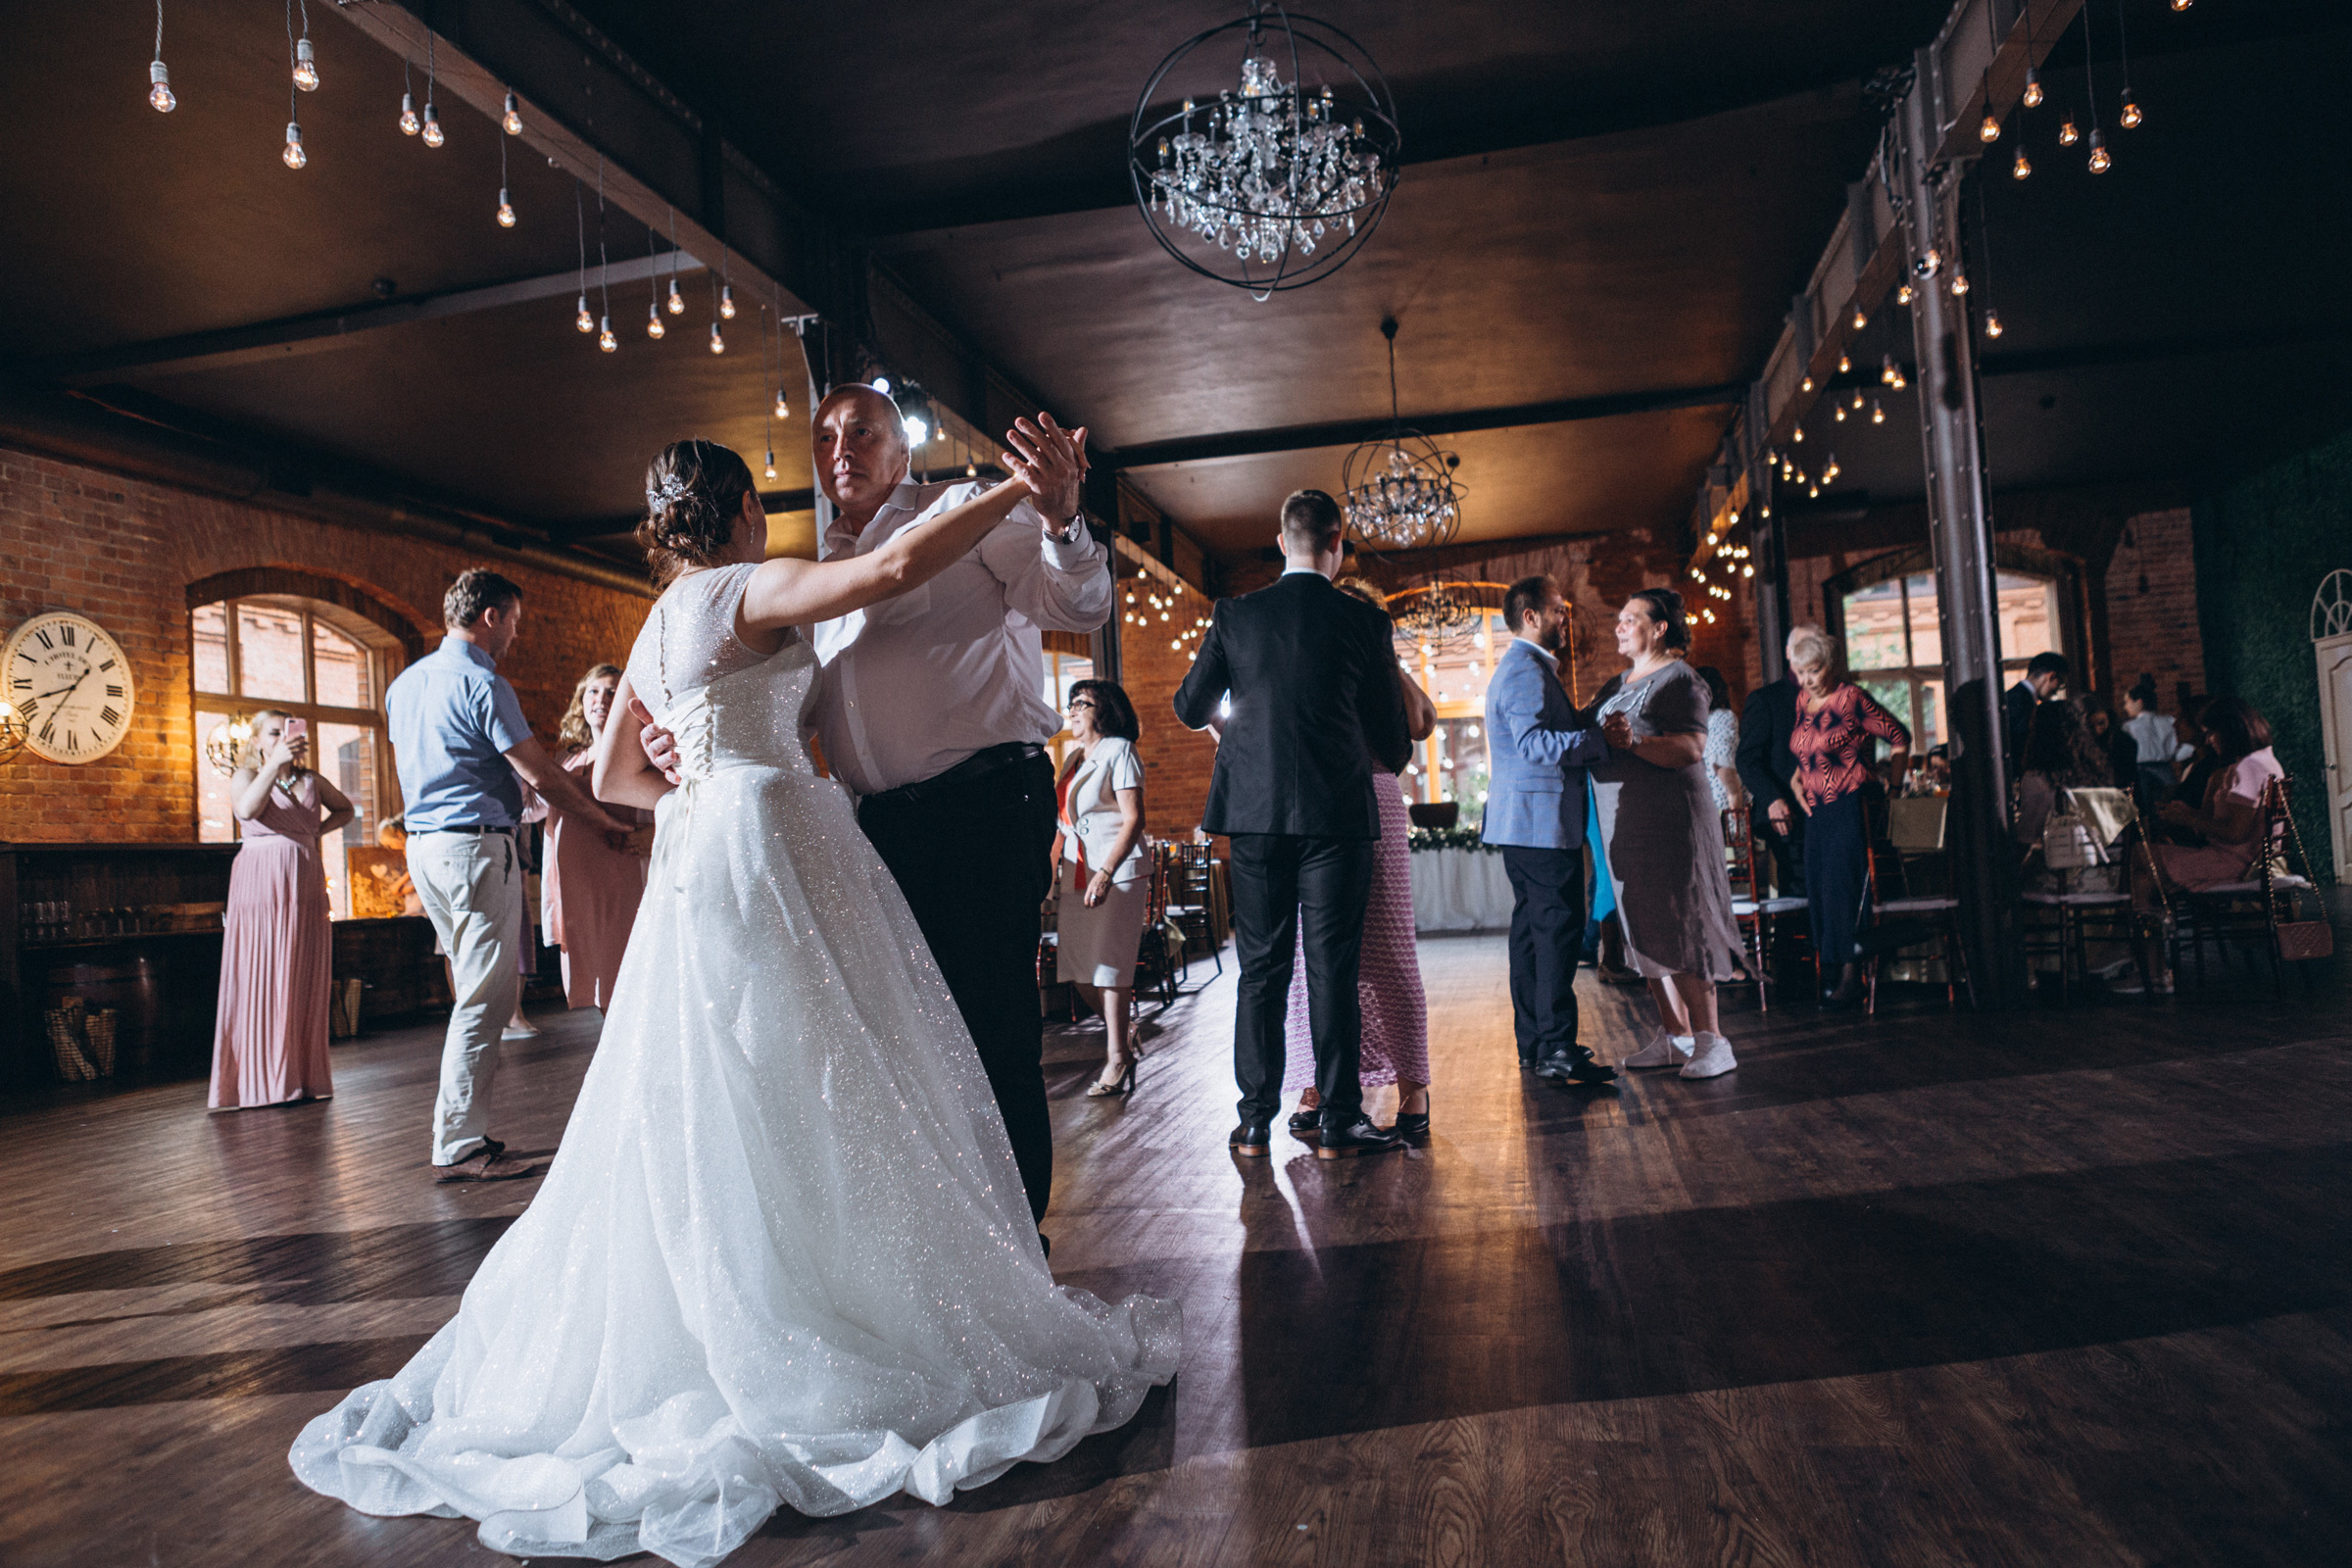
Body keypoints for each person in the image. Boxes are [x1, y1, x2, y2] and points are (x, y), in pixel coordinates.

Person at [293, 435, 1178, 1560]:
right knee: (828, 1071)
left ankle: (766, 1276)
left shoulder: (659, 620)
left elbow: (615, 779)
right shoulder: (746, 586)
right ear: (745, 513)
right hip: (770, 838)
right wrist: (1016, 488)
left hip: (704, 844)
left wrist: (695, 781)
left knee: (726, 1077)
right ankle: (831, 1297)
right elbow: (892, 571)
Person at [646, 387, 1108, 1230]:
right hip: (873, 831)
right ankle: (952, 1246)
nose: (840, 447)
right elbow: (790, 707)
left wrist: (1063, 520)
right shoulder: (812, 574)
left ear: (905, 450)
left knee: (988, 1027)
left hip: (981, 803)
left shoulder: (957, 511)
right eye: (824, 436)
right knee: (907, 1042)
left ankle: (1019, 1246)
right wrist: (678, 740)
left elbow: (1076, 604)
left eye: (862, 430)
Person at [1172, 489, 1414, 1159]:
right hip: (1337, 817)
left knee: (1260, 970)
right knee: (1331, 969)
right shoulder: (1363, 623)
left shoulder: (1235, 616)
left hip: (1252, 816)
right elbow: (1394, 746)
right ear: (1338, 544)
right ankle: (1338, 1123)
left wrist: (1248, 732)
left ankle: (1254, 1124)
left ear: (1282, 543)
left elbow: (1191, 708)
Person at [383, 568, 637, 1184]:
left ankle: (461, 1133)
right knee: (486, 994)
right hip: (473, 848)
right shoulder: (483, 683)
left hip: (425, 849)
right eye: (515, 622)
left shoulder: (404, 684)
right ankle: (460, 1143)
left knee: (476, 985)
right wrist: (602, 820)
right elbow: (542, 777)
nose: (516, 636)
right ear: (491, 617)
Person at [1284, 577, 1439, 1141]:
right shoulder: (1310, 659)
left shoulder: (1377, 666)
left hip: (1374, 796)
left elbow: (1422, 721)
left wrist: (1382, 653)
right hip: (1317, 806)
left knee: (1390, 950)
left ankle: (1414, 1086)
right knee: (1312, 959)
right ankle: (1316, 1083)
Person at [1589, 590, 1747, 1078]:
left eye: (1630, 618)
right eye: (1618, 618)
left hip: (1671, 821)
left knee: (1681, 923)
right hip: (1625, 821)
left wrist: (1635, 741)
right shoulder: (1617, 682)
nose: (1618, 626)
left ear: (1660, 628)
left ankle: (1712, 1040)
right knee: (1641, 923)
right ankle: (1675, 1034)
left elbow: (1691, 747)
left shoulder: (1681, 679)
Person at [1481, 573, 1618, 1084]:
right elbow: (1536, 744)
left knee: (1534, 937)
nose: (1566, 617)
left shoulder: (1530, 668)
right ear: (1531, 617)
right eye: (1558, 609)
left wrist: (1589, 716)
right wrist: (1598, 739)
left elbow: (1542, 734)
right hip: (1538, 825)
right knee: (1557, 932)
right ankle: (1556, 1047)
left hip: (1527, 824)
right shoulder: (1524, 669)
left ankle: (1536, 1045)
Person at [208, 710, 352, 1109]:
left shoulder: (311, 780)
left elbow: (346, 810)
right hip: (261, 883)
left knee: (301, 972)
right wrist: (273, 763)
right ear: (256, 740)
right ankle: (259, 1081)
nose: (284, 738)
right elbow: (247, 811)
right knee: (263, 970)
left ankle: (300, 1075)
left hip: (304, 883)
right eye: (274, 733)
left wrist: (312, 833)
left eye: (290, 732)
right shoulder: (245, 775)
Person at [2123, 696, 2285, 995]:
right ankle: (2150, 968)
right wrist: (2189, 815)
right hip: (2241, 859)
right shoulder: (2265, 759)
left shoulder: (2248, 767)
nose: (2208, 740)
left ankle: (2146, 966)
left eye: (2211, 732)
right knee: (2145, 877)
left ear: (2230, 730)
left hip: (2234, 863)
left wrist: (2189, 820)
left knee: (2137, 862)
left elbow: (2235, 833)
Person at [1786, 624, 1912, 1007]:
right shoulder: (1802, 702)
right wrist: (1796, 782)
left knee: (1843, 889)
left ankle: (1850, 976)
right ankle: (1832, 969)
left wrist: (1891, 787)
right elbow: (1806, 751)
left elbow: (1899, 735)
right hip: (1816, 810)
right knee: (1820, 891)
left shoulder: (1850, 698)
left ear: (1831, 666)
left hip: (1849, 802)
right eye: (1801, 672)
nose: (1807, 680)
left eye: (1815, 671)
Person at [1053, 678, 1151, 1097]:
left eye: (1081, 703)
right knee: (1077, 971)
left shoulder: (1120, 749)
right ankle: (1125, 1030)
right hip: (1076, 872)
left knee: (1110, 967)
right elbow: (1062, 823)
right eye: (1070, 703)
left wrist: (1107, 871)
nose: (1072, 710)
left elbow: (1133, 818)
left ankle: (1116, 1058)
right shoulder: (1073, 758)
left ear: (1104, 709)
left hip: (1118, 871)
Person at [542, 662, 654, 1011]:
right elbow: (539, 819)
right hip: (580, 885)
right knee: (599, 980)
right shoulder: (567, 761)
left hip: (629, 875)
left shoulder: (644, 753)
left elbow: (677, 799)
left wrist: (657, 831)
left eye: (611, 692)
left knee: (634, 970)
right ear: (581, 699)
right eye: (593, 691)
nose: (601, 699)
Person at [1737, 631, 1809, 896]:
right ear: (1788, 653)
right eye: (1802, 646)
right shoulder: (1767, 699)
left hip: (1828, 809)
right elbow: (1747, 759)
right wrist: (1772, 799)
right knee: (1801, 890)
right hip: (1786, 811)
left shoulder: (1834, 697)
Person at [2122, 674, 2189, 816]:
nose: (2125, 707)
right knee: (2169, 808)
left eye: (2127, 702)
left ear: (2139, 702)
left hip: (2140, 772)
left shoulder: (2128, 728)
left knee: (2144, 810)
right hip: (2165, 771)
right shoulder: (2169, 721)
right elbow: (2183, 750)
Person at [2002, 651, 2071, 779]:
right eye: (2060, 685)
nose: (2056, 692)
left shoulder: (2014, 697)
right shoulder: (2021, 702)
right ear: (2051, 676)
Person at [1695, 664, 1741, 814]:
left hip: (1708, 805)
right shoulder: (1722, 717)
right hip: (1719, 805)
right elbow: (1722, 763)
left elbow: (1720, 761)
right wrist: (1735, 795)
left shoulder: (1699, 723)